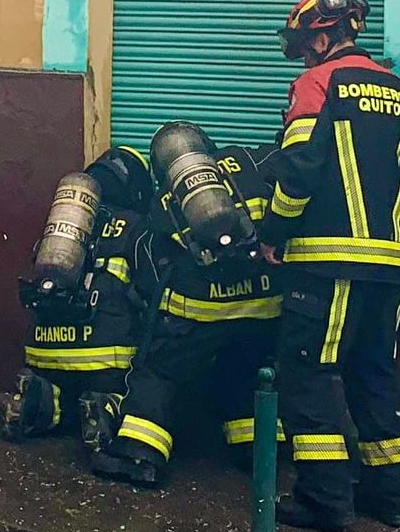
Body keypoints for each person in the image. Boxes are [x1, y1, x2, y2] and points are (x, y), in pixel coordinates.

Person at [262, 0, 400, 532]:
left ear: (322, 37)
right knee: (373, 373)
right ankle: (388, 498)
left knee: (307, 373)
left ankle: (324, 500)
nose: (302, 58)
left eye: (303, 46)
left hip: (325, 264)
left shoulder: (317, 86)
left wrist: (275, 233)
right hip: (387, 268)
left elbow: (298, 173)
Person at [91, 133, 280, 488]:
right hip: (264, 307)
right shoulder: (246, 164)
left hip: (199, 312)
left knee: (159, 371)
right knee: (243, 370)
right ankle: (258, 449)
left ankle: (138, 453)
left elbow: (150, 260)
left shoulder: (168, 197)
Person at [0, 145, 156, 449]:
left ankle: (38, 398)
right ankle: (107, 407)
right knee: (140, 395)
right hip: (105, 360)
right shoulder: (135, 228)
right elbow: (152, 290)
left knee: (60, 398)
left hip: (43, 354)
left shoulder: (63, 229)